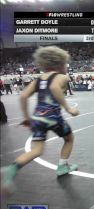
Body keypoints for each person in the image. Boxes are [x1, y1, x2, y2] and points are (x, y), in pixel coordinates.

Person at [1, 46, 80, 195]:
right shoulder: (62, 77)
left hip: (37, 118)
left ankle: (12, 169)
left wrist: (26, 118)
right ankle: (62, 166)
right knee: (69, 139)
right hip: (53, 118)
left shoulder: (38, 79)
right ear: (60, 63)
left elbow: (23, 96)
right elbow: (55, 87)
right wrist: (69, 109)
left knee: (37, 150)